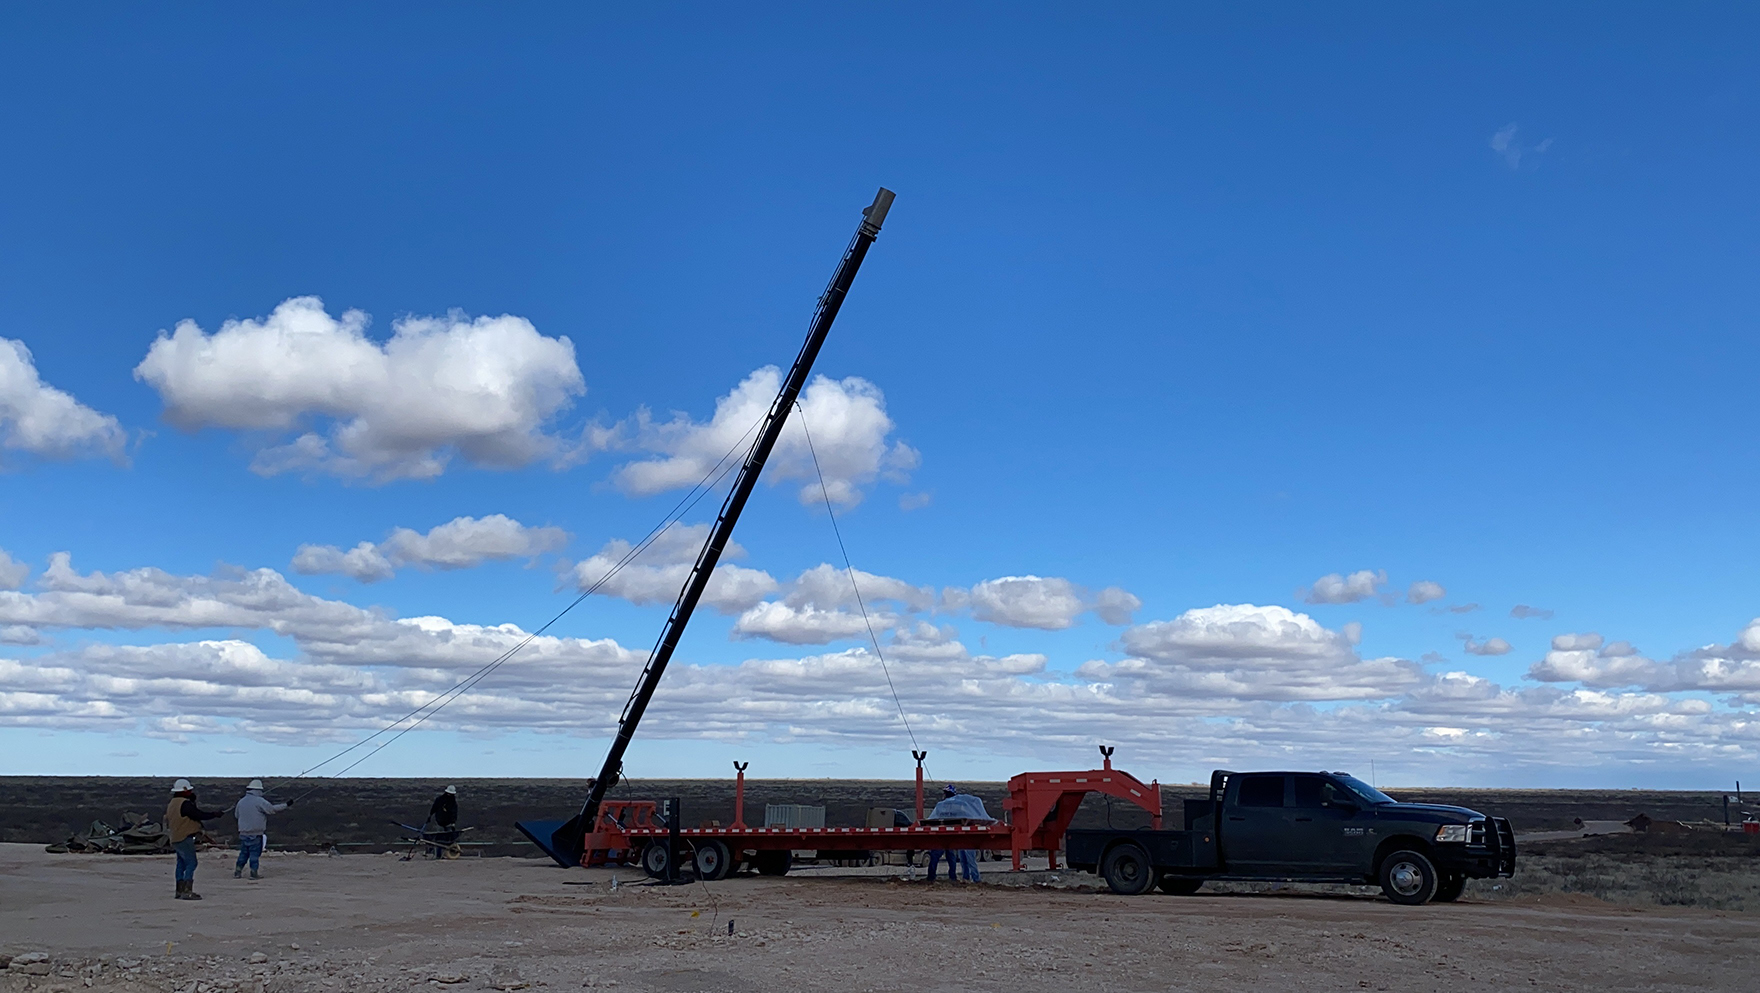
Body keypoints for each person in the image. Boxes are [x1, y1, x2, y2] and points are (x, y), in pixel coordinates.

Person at [165, 779, 226, 900]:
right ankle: (187, 891)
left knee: (181, 863)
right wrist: (214, 814)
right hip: (184, 837)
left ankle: (179, 890)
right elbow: (198, 814)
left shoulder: (172, 803)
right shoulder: (185, 804)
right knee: (191, 863)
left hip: (175, 838)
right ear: (185, 790)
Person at [926, 784, 993, 883]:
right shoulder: (956, 804)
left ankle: (972, 879)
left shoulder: (946, 805)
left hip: (954, 836)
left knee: (963, 859)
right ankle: (963, 878)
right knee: (960, 859)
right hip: (953, 836)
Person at [233, 780, 291, 880]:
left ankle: (238, 871)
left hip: (243, 833)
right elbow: (272, 809)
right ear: (258, 790)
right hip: (256, 834)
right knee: (254, 854)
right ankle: (253, 873)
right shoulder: (259, 801)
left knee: (243, 854)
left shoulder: (241, 802)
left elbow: (236, 815)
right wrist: (286, 805)